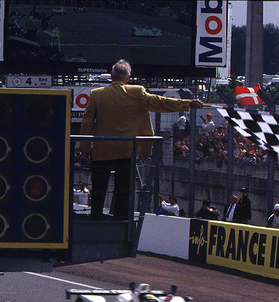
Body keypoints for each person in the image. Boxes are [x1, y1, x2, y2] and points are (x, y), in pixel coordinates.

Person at [80, 60, 204, 218]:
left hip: (101, 152)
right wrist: (187, 103)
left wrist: (85, 148)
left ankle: (95, 217)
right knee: (123, 189)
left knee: (98, 189)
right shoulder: (137, 92)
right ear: (128, 77)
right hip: (126, 151)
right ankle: (121, 219)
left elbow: (87, 122)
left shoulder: (96, 94)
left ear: (111, 76)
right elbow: (160, 102)